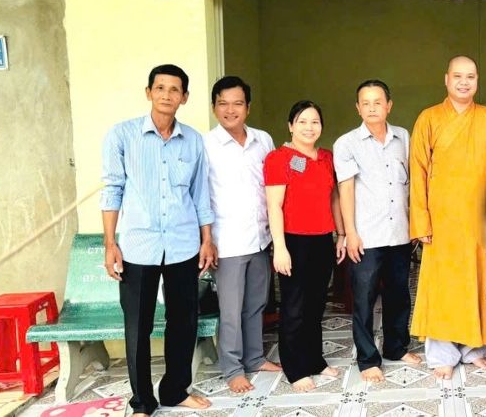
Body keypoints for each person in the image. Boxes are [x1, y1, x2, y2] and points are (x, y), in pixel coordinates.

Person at [101, 64, 217, 416]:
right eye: (161, 88)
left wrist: (206, 239)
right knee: (139, 324)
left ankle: (174, 390)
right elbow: (112, 190)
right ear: (149, 92)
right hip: (138, 246)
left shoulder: (193, 140)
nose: (167, 95)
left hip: (183, 245)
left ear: (185, 97)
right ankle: (141, 402)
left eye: (175, 89)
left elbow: (200, 195)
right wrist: (111, 243)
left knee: (184, 320)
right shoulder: (123, 136)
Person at [409, 55, 486, 380]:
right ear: (446, 79)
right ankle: (442, 354)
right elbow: (416, 173)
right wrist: (421, 222)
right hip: (442, 220)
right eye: (458, 76)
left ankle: (475, 349)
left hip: (480, 219)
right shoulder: (429, 119)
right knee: (443, 288)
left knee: (479, 285)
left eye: (470, 76)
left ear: (477, 81)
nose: (464, 82)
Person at [333, 79, 422, 383]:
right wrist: (349, 233)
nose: (372, 108)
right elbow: (345, 191)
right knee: (364, 298)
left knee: (399, 294)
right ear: (358, 107)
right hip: (366, 236)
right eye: (366, 103)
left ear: (389, 105)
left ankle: (396, 348)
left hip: (399, 232)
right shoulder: (346, 144)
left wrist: (415, 224)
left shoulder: (404, 137)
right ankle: (368, 359)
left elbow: (412, 183)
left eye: (378, 102)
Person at [203, 76, 282, 393]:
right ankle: (233, 368)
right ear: (214, 107)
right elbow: (200, 197)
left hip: (261, 237)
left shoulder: (263, 140)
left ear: (248, 107)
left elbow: (275, 185)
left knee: (255, 305)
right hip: (228, 241)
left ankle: (254, 358)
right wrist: (207, 239)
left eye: (237, 103)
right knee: (231, 310)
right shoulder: (205, 145)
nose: (230, 109)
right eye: (223, 103)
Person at [264, 100, 347, 392]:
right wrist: (280, 247)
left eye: (314, 121)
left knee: (315, 306)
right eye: (302, 121)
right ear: (290, 126)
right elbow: (274, 205)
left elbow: (334, 198)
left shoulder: (326, 157)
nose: (309, 127)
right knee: (294, 308)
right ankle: (295, 367)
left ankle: (315, 361)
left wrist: (342, 234)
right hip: (294, 242)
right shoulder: (279, 158)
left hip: (323, 240)